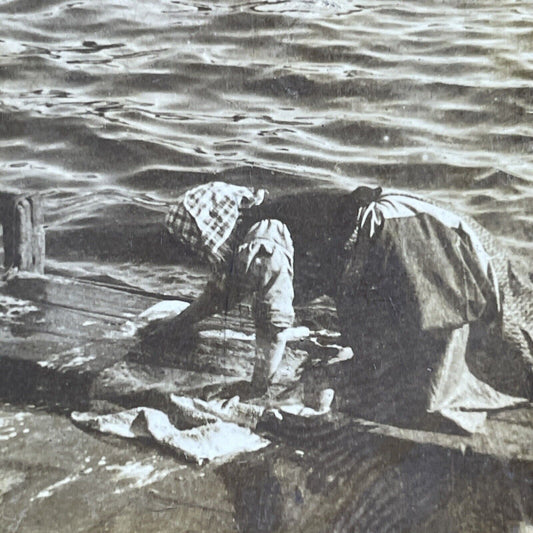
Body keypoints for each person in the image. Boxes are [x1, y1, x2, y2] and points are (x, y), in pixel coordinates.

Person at [141, 181, 533, 432]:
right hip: (397, 231)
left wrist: (257, 388)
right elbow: (220, 295)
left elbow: (273, 325)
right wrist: (177, 326)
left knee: (436, 375)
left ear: (211, 231)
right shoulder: (258, 227)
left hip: (403, 238)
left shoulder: (261, 244)